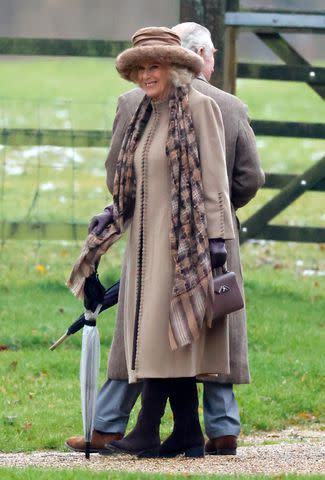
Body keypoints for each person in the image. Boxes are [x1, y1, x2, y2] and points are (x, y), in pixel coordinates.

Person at [66, 22, 264, 456]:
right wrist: (111, 217)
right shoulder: (141, 112)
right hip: (145, 245)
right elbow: (126, 179)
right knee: (155, 335)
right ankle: (185, 433)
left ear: (175, 67)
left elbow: (216, 181)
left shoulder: (201, 107)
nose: (146, 76)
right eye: (140, 69)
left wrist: (216, 240)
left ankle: (154, 430)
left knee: (169, 334)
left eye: (154, 67)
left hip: (187, 245)